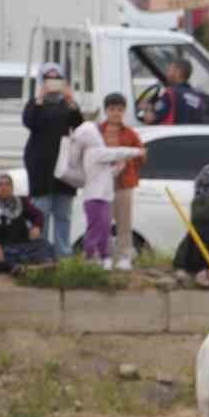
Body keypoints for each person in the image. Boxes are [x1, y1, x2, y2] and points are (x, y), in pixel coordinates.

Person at [21, 61, 83, 259]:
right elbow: (29, 122)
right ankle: (41, 253)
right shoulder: (35, 103)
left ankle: (63, 254)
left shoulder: (67, 104)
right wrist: (40, 97)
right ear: (41, 80)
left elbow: (80, 126)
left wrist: (71, 100)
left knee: (63, 215)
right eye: (48, 78)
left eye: (57, 78)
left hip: (65, 168)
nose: (53, 82)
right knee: (41, 213)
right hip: (41, 167)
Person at [65, 121, 143, 269]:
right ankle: (90, 257)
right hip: (94, 198)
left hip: (104, 197)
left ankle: (105, 257)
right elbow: (116, 152)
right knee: (96, 229)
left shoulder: (95, 153)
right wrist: (138, 151)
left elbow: (105, 174)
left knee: (105, 229)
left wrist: (118, 168)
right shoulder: (94, 152)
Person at [0, 173, 54, 273]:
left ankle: (12, 265)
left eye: (8, 184)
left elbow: (38, 215)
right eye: (0, 184)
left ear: (12, 188)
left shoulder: (20, 202)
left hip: (19, 245)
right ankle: (16, 265)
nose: (4, 188)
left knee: (44, 245)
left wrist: (37, 227)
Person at [102, 92, 145, 271]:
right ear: (106, 111)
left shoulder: (130, 133)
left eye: (120, 110)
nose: (116, 113)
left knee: (124, 222)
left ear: (124, 111)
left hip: (124, 184)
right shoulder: (97, 131)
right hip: (102, 184)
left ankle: (124, 256)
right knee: (102, 221)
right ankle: (104, 256)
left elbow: (142, 157)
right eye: (112, 109)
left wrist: (128, 159)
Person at [142, 58, 204, 125]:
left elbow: (150, 120)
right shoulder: (198, 96)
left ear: (178, 72)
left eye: (169, 70)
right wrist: (152, 107)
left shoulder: (170, 94)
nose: (167, 74)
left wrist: (146, 109)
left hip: (172, 134)